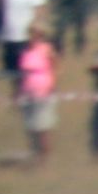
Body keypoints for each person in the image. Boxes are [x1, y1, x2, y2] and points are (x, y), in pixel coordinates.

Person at [17, 32, 58, 166]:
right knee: (31, 128)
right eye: (30, 35)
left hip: (43, 91)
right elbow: (23, 72)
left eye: (35, 35)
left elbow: (55, 64)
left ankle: (45, 160)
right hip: (28, 92)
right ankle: (34, 156)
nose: (32, 38)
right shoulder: (25, 51)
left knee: (42, 129)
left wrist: (53, 82)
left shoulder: (45, 48)